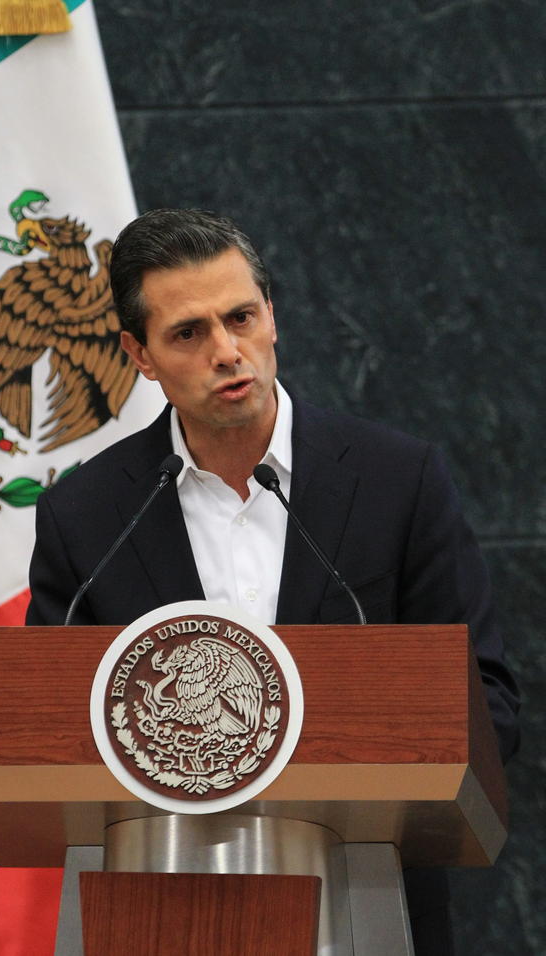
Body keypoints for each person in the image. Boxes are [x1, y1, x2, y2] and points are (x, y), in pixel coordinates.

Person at [26, 207, 519, 954]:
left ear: (272, 316)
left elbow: (489, 702)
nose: (228, 352)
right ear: (139, 354)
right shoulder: (88, 516)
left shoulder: (396, 481)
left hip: (368, 908)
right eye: (188, 333)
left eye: (241, 318)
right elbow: (49, 734)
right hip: (162, 913)